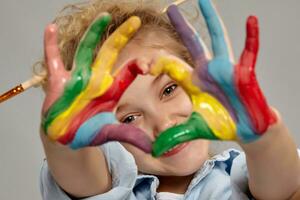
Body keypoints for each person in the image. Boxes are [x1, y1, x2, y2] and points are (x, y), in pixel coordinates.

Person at [39, 0, 300, 199]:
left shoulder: (240, 174)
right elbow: (81, 175)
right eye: (129, 118)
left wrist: (263, 137)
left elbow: (287, 187)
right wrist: (62, 142)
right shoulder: (114, 190)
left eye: (168, 90)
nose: (163, 125)